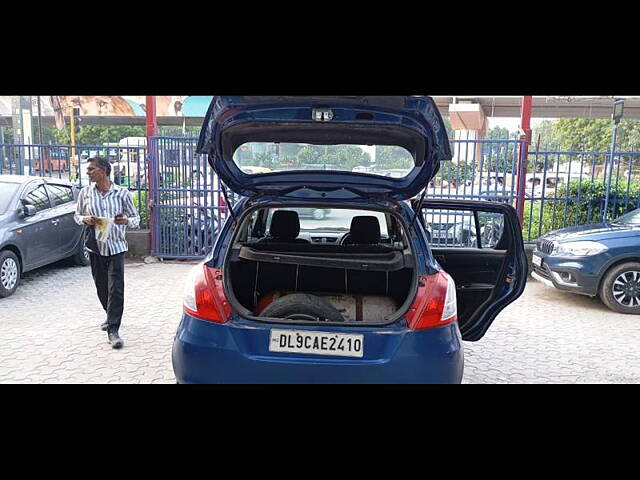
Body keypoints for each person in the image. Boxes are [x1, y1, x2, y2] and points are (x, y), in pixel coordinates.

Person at [74, 156, 140, 349]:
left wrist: (125, 221)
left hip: (116, 247)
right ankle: (109, 314)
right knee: (101, 286)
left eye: (91, 169)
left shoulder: (122, 193)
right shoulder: (85, 193)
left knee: (116, 288)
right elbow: (76, 216)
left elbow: (136, 218)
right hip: (95, 247)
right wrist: (86, 219)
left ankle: (113, 329)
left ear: (103, 171)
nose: (88, 172)